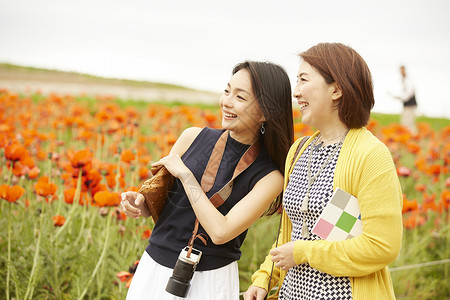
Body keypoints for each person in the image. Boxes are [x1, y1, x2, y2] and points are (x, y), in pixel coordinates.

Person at [120, 60, 294, 299]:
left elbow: (221, 232)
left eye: (240, 97)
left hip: (210, 280)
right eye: (226, 91)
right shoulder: (191, 137)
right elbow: (160, 200)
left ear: (265, 112)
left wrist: (186, 175)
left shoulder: (270, 176)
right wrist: (140, 202)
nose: (226, 102)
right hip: (154, 268)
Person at [243, 43, 403, 300]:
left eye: (303, 80)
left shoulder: (371, 155)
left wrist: (306, 252)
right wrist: (265, 278)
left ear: (336, 89)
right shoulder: (299, 150)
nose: (296, 92)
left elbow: (382, 246)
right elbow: (291, 233)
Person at [393, 65, 418, 134]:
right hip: (407, 104)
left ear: (404, 70)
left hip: (410, 104)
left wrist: (401, 97)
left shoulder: (408, 80)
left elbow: (409, 93)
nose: (401, 72)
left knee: (408, 122)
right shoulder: (403, 79)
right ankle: (408, 135)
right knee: (405, 121)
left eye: (402, 70)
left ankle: (413, 136)